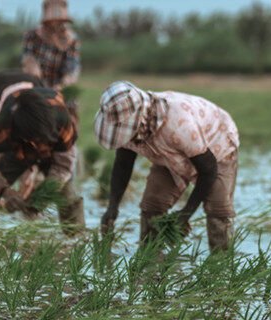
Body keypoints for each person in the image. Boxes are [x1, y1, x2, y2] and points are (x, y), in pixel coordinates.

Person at [96, 81, 239, 251]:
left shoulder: (179, 125)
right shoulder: (129, 127)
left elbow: (208, 170)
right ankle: (150, 260)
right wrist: (112, 207)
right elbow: (123, 164)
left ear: (139, 119)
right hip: (167, 154)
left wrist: (185, 214)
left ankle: (221, 263)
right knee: (152, 205)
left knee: (218, 208)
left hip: (216, 145)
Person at [0, 70, 83, 233]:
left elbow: (64, 165)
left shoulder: (62, 119)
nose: (35, 144)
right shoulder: (4, 125)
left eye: (38, 141)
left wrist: (44, 193)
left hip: (50, 146)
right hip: (15, 146)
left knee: (66, 193)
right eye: (30, 140)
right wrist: (5, 191)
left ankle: (76, 237)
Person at [21, 0, 80, 91]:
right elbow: (29, 60)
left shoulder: (72, 40)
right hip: (36, 85)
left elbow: (72, 68)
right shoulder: (32, 36)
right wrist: (37, 79)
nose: (55, 24)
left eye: (60, 21)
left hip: (59, 88)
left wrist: (62, 86)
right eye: (52, 20)